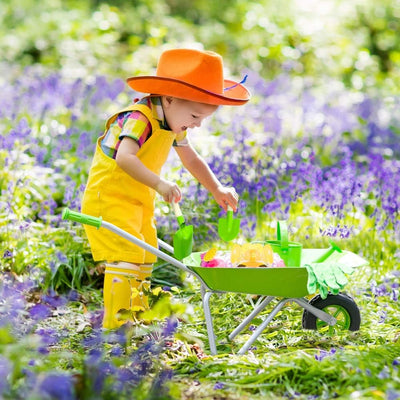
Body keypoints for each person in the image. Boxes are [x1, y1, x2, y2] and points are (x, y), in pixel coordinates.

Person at [81, 48, 250, 329]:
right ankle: (116, 327)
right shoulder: (140, 118)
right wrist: (160, 183)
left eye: (202, 120)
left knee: (145, 257)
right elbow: (125, 157)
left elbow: (191, 158)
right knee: (126, 258)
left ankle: (135, 318)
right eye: (195, 116)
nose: (197, 125)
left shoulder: (172, 120)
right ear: (170, 99)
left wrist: (217, 188)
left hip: (138, 200)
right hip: (108, 199)